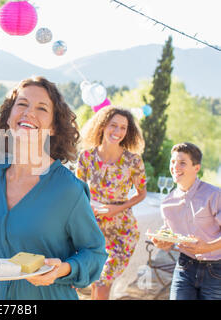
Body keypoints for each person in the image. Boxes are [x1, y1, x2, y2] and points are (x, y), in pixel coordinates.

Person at [0, 76, 107, 300]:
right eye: (22, 104)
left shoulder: (68, 190)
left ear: (53, 128)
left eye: (42, 108)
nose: (29, 112)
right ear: (9, 117)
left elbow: (95, 253)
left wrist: (63, 269)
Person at [76, 106, 147, 300]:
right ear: (102, 125)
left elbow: (141, 194)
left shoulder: (133, 161)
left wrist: (117, 208)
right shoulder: (86, 157)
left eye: (123, 128)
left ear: (128, 131)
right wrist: (87, 206)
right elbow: (78, 191)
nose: (117, 132)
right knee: (94, 281)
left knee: (102, 282)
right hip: (91, 226)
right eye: (113, 125)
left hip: (121, 230)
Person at [149, 142, 221, 300]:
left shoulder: (214, 195)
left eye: (182, 163)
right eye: (173, 162)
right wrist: (163, 241)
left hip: (216, 269)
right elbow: (170, 233)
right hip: (185, 267)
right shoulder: (167, 203)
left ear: (196, 168)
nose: (175, 167)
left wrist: (208, 247)